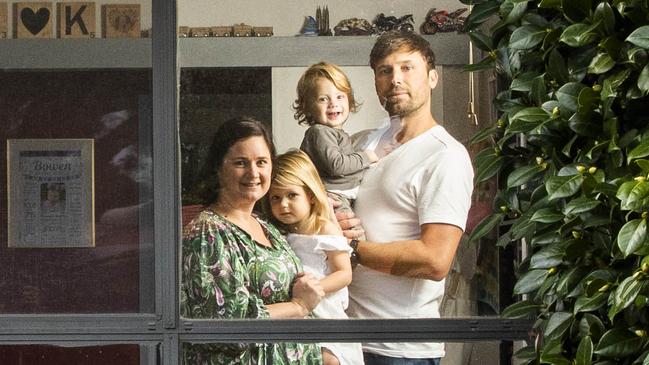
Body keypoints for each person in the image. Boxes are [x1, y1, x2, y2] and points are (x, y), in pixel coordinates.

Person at [340, 30, 475, 364]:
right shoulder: (364, 144)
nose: (395, 79)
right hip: (345, 340)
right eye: (385, 71)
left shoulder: (445, 156)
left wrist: (352, 251)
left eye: (406, 68)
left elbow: (434, 260)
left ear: (432, 77)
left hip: (400, 349)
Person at [180, 116, 325, 364]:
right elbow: (225, 326)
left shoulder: (266, 226)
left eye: (262, 162)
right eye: (240, 163)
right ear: (218, 168)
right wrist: (299, 306)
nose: (253, 173)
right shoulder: (209, 233)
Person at [265, 149, 364, 365]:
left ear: (310, 195)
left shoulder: (325, 228)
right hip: (298, 314)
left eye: (292, 195)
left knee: (329, 358)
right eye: (276, 198)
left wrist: (315, 288)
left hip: (325, 310)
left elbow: (344, 273)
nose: (283, 204)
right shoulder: (281, 233)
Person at [295, 62, 379, 238]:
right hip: (331, 197)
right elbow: (337, 165)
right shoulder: (319, 132)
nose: (333, 104)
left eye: (340, 97)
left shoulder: (335, 133)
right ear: (308, 106)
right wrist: (366, 157)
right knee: (354, 238)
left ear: (349, 100)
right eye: (323, 99)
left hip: (341, 195)